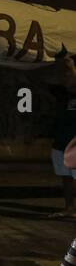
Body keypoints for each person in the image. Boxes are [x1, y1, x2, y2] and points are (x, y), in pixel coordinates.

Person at [48, 53, 76, 218]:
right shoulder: (61, 94)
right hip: (61, 141)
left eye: (69, 75)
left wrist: (71, 66)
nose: (66, 78)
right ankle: (69, 208)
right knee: (66, 177)